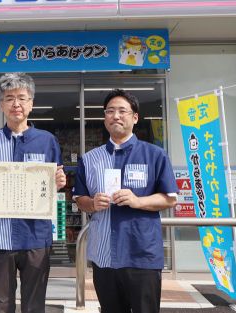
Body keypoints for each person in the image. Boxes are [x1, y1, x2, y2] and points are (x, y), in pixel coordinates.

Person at [0, 72, 67, 313]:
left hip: (35, 235)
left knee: (34, 305)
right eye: (9, 98)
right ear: (1, 104)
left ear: (31, 103)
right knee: (0, 304)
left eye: (22, 98)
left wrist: (60, 182)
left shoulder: (47, 141)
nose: (16, 104)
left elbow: (55, 181)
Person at [73, 89, 178, 313]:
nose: (116, 116)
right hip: (104, 256)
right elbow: (79, 199)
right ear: (104, 118)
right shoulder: (90, 159)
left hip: (142, 254)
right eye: (110, 111)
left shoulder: (155, 155)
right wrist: (91, 203)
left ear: (135, 117)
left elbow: (169, 199)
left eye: (122, 111)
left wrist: (137, 201)